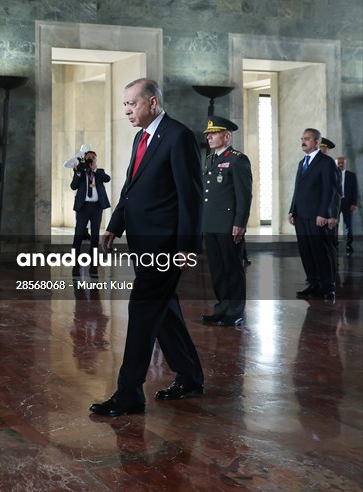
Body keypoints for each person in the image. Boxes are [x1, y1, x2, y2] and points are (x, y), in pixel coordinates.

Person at [92, 78, 204, 417]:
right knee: (164, 312)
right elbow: (131, 187)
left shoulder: (179, 136)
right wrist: (115, 224)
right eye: (125, 104)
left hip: (166, 247)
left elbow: (191, 198)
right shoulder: (141, 137)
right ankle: (190, 377)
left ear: (152, 102)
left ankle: (129, 392)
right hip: (142, 244)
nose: (127, 110)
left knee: (142, 310)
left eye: (132, 104)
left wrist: (188, 247)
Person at [198, 117, 253, 327]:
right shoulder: (209, 159)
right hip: (210, 223)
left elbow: (244, 195)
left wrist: (240, 222)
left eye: (214, 133)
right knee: (218, 269)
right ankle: (222, 308)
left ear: (227, 136)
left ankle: (235, 311)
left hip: (229, 224)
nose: (209, 137)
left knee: (233, 268)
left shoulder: (238, 159)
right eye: (208, 134)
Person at [290, 128, 340, 299]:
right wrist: (292, 210)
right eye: (302, 138)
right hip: (300, 214)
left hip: (316, 215)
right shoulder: (301, 162)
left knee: (320, 251)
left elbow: (329, 190)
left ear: (317, 142)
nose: (303, 141)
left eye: (307, 139)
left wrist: (323, 213)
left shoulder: (326, 162)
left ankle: (327, 286)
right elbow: (298, 189)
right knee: (306, 251)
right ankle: (314, 284)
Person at [69, 149, 110, 271]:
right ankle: (75, 256)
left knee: (95, 233)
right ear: (85, 159)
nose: (91, 159)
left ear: (96, 160)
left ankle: (94, 257)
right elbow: (73, 186)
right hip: (83, 206)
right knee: (79, 232)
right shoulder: (80, 171)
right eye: (88, 157)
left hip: (97, 207)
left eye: (93, 157)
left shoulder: (99, 172)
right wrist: (78, 172)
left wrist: (95, 169)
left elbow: (107, 179)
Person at [337, 156, 358, 255]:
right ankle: (334, 244)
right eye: (339, 163)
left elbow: (355, 191)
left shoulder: (351, 175)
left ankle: (349, 244)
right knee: (334, 225)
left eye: (342, 163)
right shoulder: (332, 174)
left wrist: (354, 203)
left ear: (345, 164)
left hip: (348, 203)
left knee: (348, 225)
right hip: (335, 203)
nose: (341, 164)